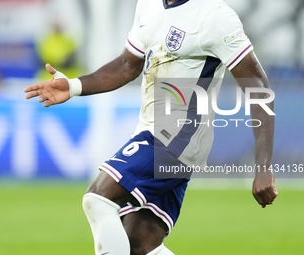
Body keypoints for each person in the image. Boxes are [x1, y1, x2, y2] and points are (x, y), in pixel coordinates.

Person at [24, 0, 278, 254]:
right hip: (153, 130)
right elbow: (127, 65)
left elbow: (259, 89)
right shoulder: (148, 4)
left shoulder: (215, 15)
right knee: (140, 243)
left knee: (98, 199)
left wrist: (263, 166)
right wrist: (74, 86)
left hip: (178, 136)